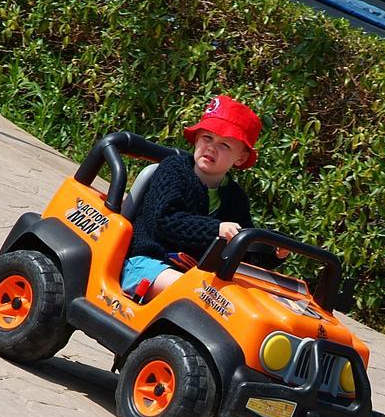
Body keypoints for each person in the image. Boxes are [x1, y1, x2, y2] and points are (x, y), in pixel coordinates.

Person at [122, 95, 287, 300]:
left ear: (241, 158)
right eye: (207, 138)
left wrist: (272, 252)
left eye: (225, 145)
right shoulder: (173, 170)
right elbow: (163, 221)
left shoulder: (235, 198)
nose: (211, 147)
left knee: (231, 301)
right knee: (200, 297)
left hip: (195, 277)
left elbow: (242, 252)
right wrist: (216, 229)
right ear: (197, 137)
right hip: (146, 263)